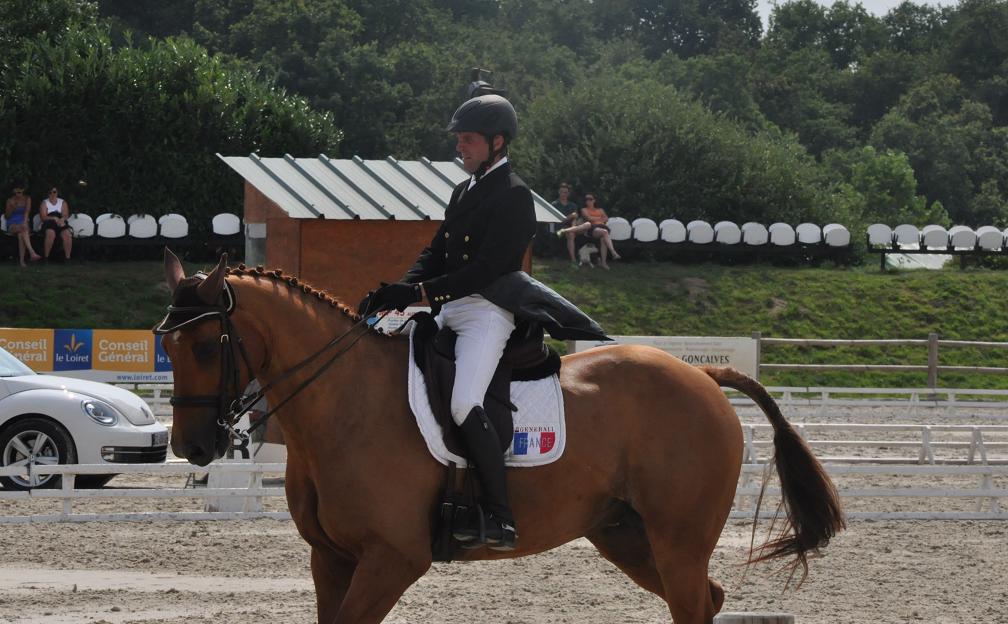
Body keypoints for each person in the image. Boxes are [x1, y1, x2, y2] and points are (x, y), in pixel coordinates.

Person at [358, 93, 534, 551]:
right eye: (459, 140)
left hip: (487, 312)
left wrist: (418, 294)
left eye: (469, 140)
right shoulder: (463, 190)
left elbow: (487, 269)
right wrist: (397, 289)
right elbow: (435, 253)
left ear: (498, 142)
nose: (461, 148)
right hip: (448, 305)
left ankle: (500, 515)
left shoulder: (515, 194)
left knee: (462, 403)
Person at [561, 193, 620, 269]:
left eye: (590, 199)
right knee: (604, 232)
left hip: (602, 227)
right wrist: (600, 218)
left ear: (594, 200)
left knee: (603, 238)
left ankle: (603, 263)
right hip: (592, 228)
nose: (588, 201)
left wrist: (597, 218)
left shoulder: (600, 210)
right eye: (587, 199)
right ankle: (613, 252)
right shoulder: (584, 210)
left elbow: (606, 219)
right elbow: (589, 218)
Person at [4, 182, 41, 266]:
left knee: (21, 234)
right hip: (12, 224)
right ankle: (32, 252)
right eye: (17, 191)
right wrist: (12, 207)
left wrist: (24, 223)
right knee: (23, 230)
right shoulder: (10, 200)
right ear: (13, 191)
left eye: (20, 191)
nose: (18, 193)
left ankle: (22, 261)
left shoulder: (27, 199)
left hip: (23, 222)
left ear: (23, 190)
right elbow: (7, 216)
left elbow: (27, 212)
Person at [552, 182, 585, 267]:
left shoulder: (573, 205)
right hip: (560, 227)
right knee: (571, 234)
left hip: (572, 227)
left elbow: (575, 218)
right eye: (562, 192)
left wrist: (573, 226)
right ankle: (573, 259)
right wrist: (570, 217)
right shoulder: (554, 204)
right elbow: (557, 220)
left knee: (586, 225)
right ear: (559, 192)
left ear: (568, 194)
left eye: (565, 192)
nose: (564, 194)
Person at [40, 187, 72, 260]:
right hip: (49, 222)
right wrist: (54, 218)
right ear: (47, 194)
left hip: (60, 221)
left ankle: (67, 258)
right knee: (50, 234)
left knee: (67, 234)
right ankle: (46, 257)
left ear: (57, 192)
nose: (52, 194)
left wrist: (62, 219)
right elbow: (43, 217)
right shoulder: (44, 203)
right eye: (50, 192)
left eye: (54, 192)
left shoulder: (62, 202)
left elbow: (65, 215)